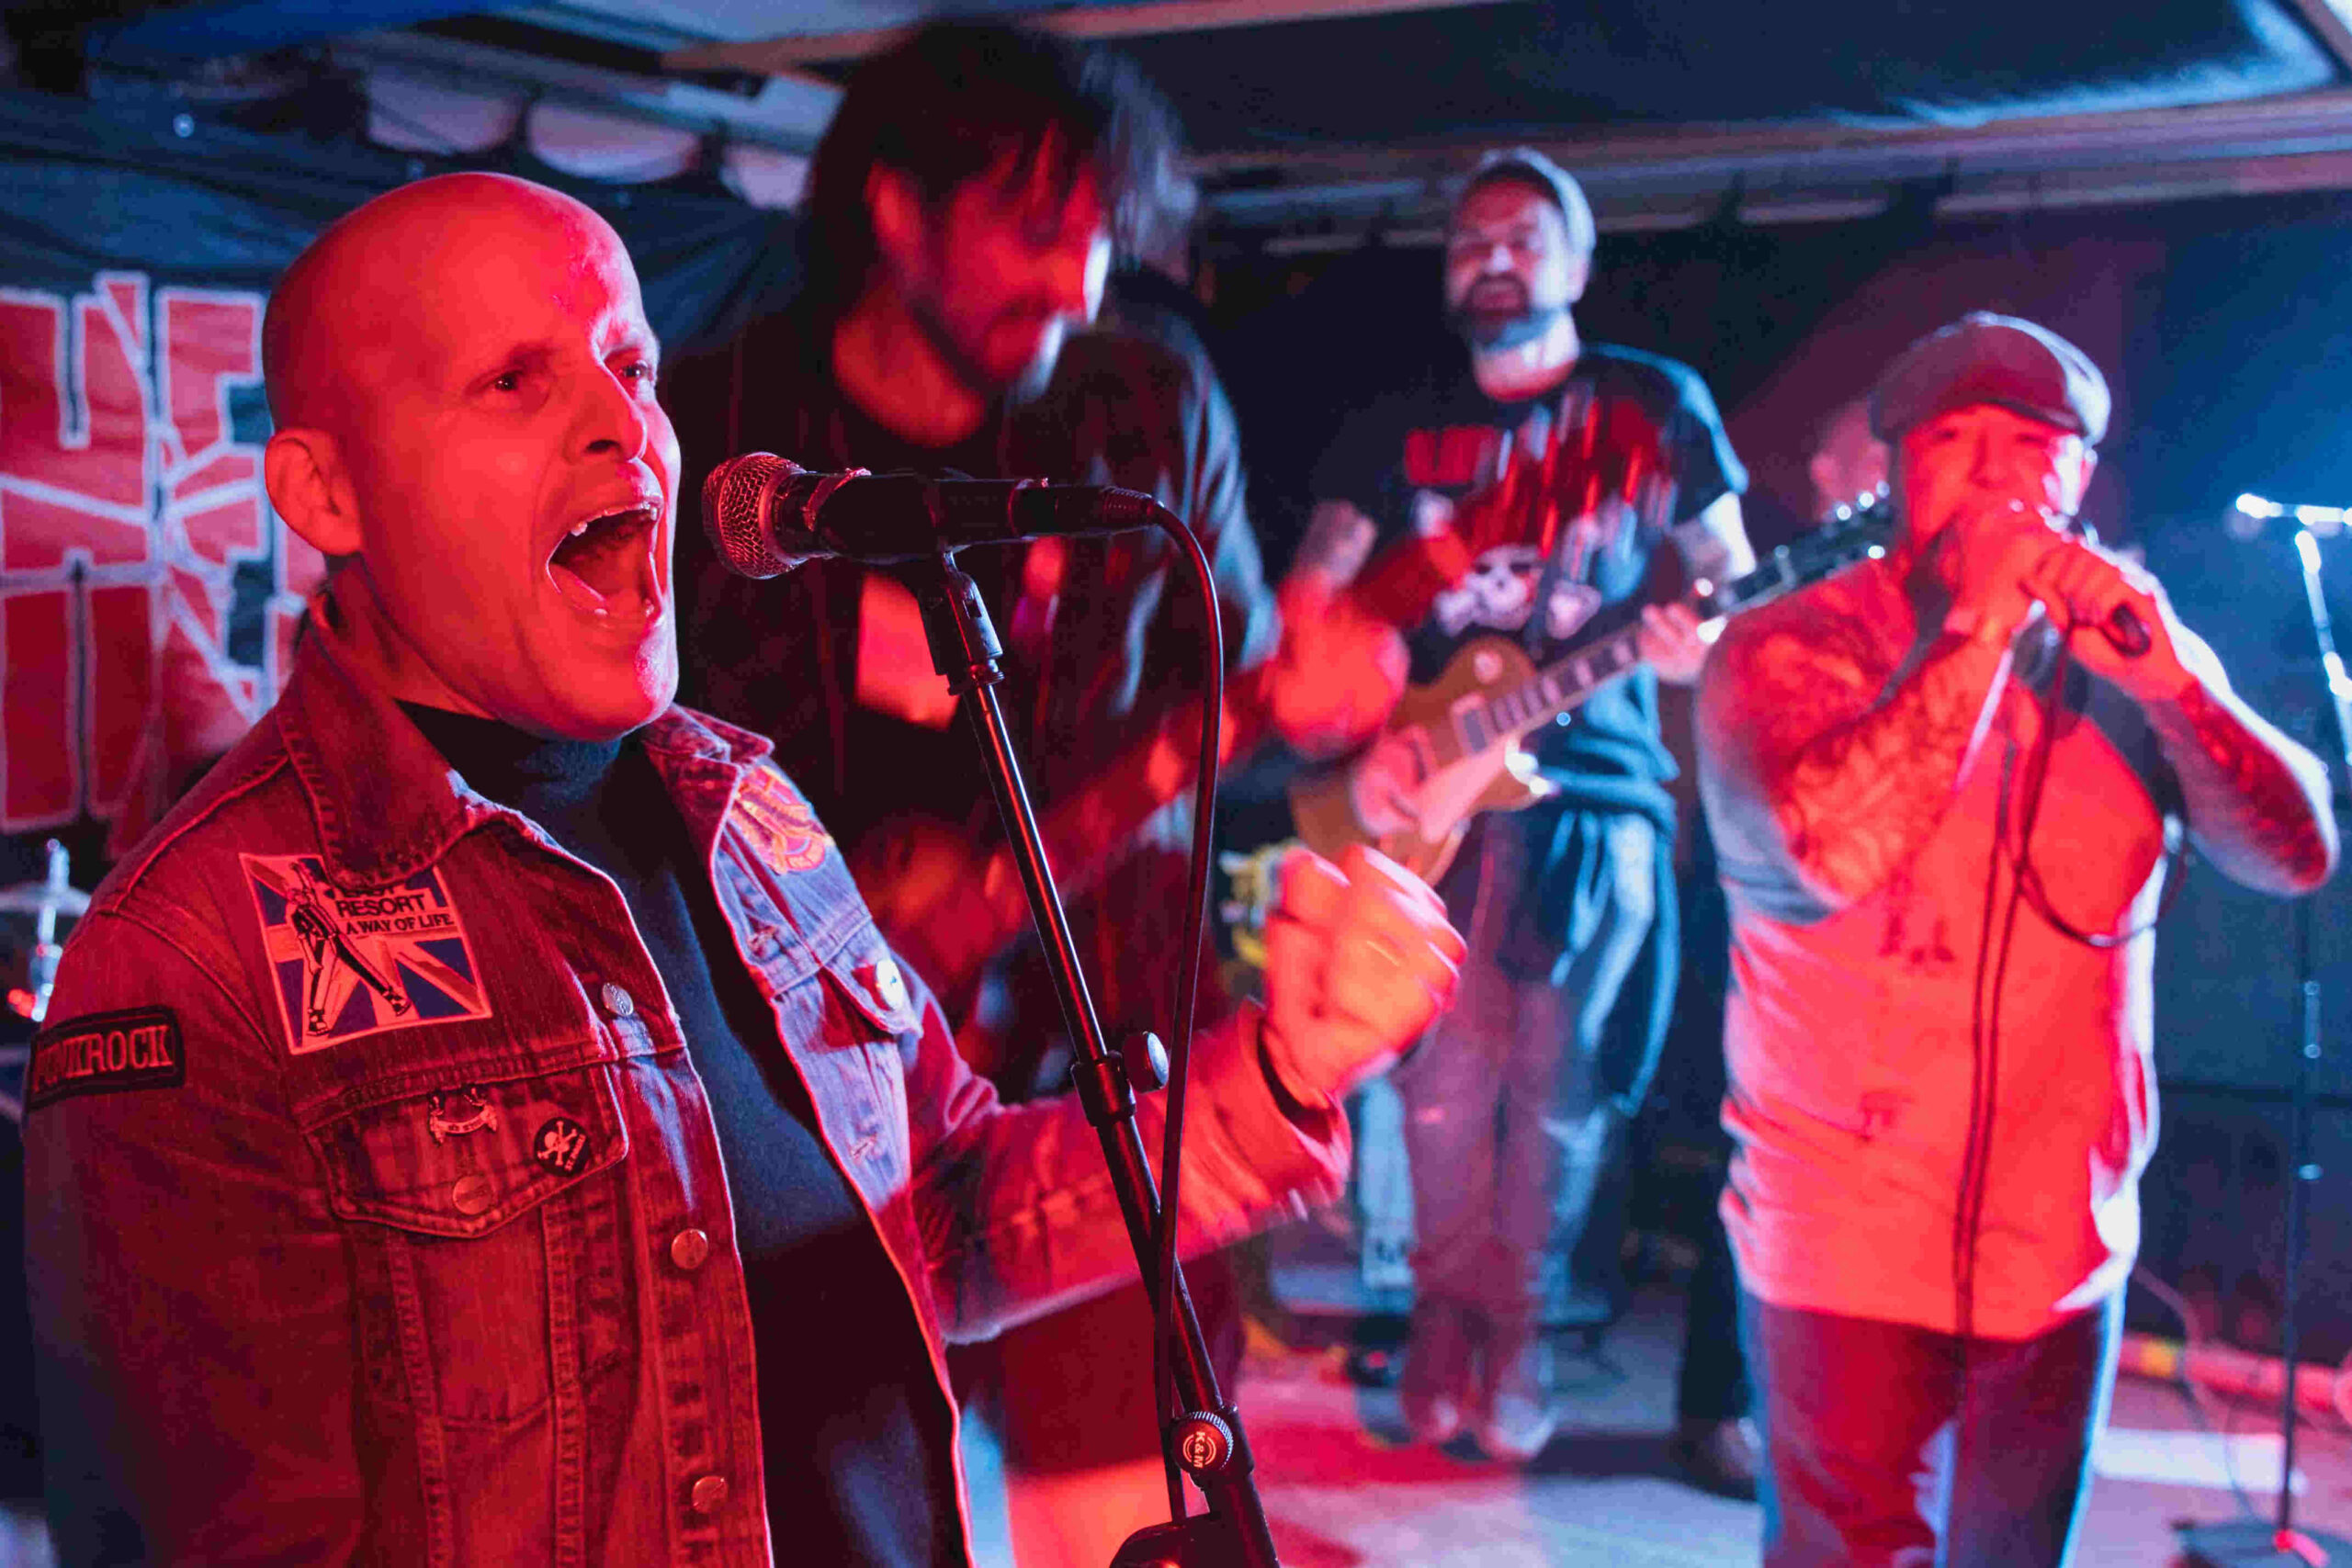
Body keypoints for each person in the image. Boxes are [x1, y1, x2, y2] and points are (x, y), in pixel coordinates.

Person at [19, 171, 1464, 1567]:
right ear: (325, 491)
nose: (622, 426)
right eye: (514, 382)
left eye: (631, 366)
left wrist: (1280, 1076)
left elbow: (945, 1214)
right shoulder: (197, 957)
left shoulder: (743, 809)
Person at [666, 24, 1398, 1564]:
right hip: (803, 1113)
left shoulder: (1150, 407)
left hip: (1102, 1070)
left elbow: (1234, 690)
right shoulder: (720, 430)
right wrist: (827, 905)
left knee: (1121, 1519)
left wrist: (1320, 706)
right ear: (897, 211)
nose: (1077, 283)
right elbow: (632, 772)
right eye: (1032, 229)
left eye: (1098, 237)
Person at [1695, 311, 2337, 1565]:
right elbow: (1823, 856)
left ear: (2079, 477)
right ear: (1897, 468)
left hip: (2060, 1242)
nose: (1996, 476)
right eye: (1955, 442)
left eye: (2033, 447)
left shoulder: (2129, 654)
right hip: (1840, 1234)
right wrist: (1977, 633)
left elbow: (2298, 854)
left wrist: (2176, 685)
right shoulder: (1791, 643)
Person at [1304, 147, 1754, 1461]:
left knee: (1557, 1101)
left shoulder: (1654, 407)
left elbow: (1735, 595)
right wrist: (1362, 744)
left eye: (1523, 235)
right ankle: (1440, 1328)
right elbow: (1313, 610)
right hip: (1428, 807)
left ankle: (1520, 1343)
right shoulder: (1393, 423)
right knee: (1437, 1097)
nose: (1493, 256)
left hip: (1597, 798)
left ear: (1580, 260)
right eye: (1470, 238)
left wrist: (1695, 646)